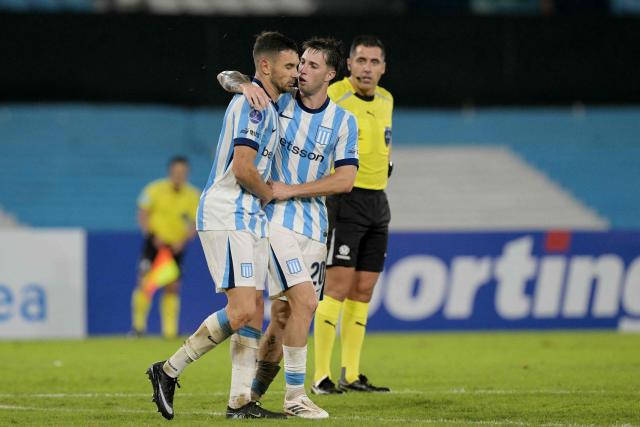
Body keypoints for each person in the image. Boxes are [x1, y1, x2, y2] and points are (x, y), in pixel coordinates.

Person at [145, 31, 299, 420]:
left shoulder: (268, 101)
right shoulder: (255, 107)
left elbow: (226, 76)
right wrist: (268, 193)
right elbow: (244, 168)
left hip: (248, 215)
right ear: (266, 66)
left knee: (252, 311)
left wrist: (242, 81)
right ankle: (167, 370)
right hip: (229, 211)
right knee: (244, 309)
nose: (296, 73)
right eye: (290, 66)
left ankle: (240, 402)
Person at [218, 37, 359, 418]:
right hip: (276, 221)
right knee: (306, 302)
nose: (301, 71)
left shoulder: (344, 121)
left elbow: (346, 179)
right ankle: (295, 397)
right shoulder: (277, 102)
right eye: (301, 64)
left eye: (312, 66)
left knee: (284, 318)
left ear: (331, 74)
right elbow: (225, 76)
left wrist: (292, 189)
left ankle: (250, 399)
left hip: (315, 226)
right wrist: (242, 83)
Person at [312, 35, 393, 394]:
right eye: (361, 60)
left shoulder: (388, 99)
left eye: (375, 62)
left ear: (383, 68)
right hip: (345, 200)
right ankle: (320, 376)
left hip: (378, 202)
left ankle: (352, 372)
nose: (367, 68)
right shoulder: (334, 96)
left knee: (364, 290)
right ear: (348, 63)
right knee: (338, 288)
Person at [130, 156, 199, 339]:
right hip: (154, 243)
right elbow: (143, 214)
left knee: (172, 286)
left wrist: (183, 241)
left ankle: (169, 331)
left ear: (187, 174)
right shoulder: (154, 189)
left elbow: (196, 223)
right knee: (145, 282)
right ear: (170, 172)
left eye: (182, 173)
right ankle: (138, 327)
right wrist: (152, 235)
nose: (179, 176)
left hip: (175, 247)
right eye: (176, 172)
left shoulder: (193, 195)